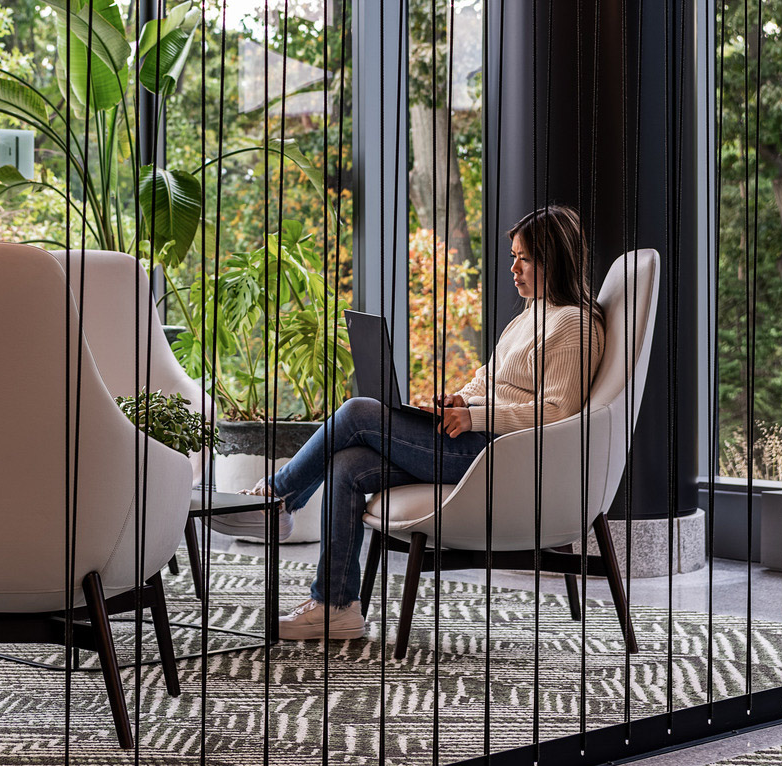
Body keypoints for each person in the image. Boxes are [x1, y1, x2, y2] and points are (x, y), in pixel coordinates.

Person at [221, 204, 606, 642]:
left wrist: (474, 415)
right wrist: (460, 398)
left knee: (357, 411)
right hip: (472, 439)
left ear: (554, 261)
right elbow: (491, 380)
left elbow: (558, 412)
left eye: (525, 258)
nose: (513, 268)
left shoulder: (574, 325)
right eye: (513, 255)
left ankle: (276, 499)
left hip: (495, 458)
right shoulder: (528, 316)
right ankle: (336, 606)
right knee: (347, 464)